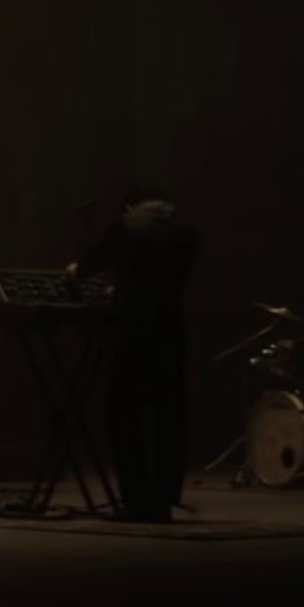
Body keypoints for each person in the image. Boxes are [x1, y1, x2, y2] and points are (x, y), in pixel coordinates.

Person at [71, 183, 201, 521]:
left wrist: (75, 271)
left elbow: (87, 268)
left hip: (134, 328)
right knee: (169, 415)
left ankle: (139, 499)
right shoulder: (187, 229)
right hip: (172, 328)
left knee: (123, 413)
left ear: (130, 206)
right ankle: (165, 496)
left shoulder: (127, 225)